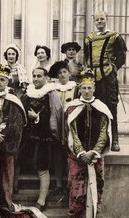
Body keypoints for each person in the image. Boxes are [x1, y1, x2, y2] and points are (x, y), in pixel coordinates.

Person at [65, 70, 112, 218]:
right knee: (76, 185)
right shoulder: (72, 108)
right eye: (83, 88)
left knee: (97, 184)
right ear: (79, 89)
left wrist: (94, 152)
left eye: (89, 88)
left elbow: (105, 132)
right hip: (76, 156)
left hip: (95, 156)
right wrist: (81, 153)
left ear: (94, 89)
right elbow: (72, 132)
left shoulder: (101, 107)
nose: (86, 91)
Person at [84, 10, 127, 152]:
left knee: (111, 107)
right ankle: (96, 140)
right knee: (93, 107)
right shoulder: (89, 38)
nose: (99, 22)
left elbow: (121, 57)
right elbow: (86, 58)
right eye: (97, 20)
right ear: (94, 21)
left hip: (108, 78)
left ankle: (114, 139)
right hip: (93, 78)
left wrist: (113, 69)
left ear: (106, 19)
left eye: (102, 19)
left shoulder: (115, 37)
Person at [20, 67, 63, 212]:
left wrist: (36, 117)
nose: (36, 79)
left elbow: (54, 117)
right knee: (20, 162)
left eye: (39, 76)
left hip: (44, 136)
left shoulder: (51, 94)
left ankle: (41, 200)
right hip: (28, 136)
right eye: (34, 76)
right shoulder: (28, 94)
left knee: (42, 167)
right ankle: (13, 193)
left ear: (46, 78)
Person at [0, 65, 27, 210]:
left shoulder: (13, 99)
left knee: (7, 171)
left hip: (7, 140)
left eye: (2, 80)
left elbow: (16, 122)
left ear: (7, 82)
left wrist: (2, 137)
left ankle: (6, 201)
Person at [48, 61, 79, 196]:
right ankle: (58, 184)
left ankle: (69, 183)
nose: (62, 75)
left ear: (69, 73)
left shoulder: (75, 89)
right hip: (56, 125)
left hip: (70, 125)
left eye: (64, 72)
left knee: (70, 154)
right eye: (60, 73)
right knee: (57, 156)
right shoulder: (52, 90)